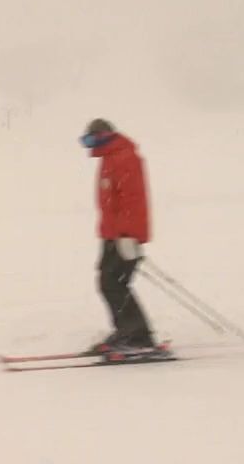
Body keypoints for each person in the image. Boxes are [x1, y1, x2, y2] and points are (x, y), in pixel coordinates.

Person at [81, 119, 155, 351]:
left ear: (104, 136)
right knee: (108, 282)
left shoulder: (124, 158)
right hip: (113, 235)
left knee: (113, 283)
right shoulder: (110, 158)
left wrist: (128, 236)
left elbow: (133, 201)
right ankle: (127, 331)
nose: (89, 146)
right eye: (86, 142)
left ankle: (137, 336)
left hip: (124, 236)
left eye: (91, 140)